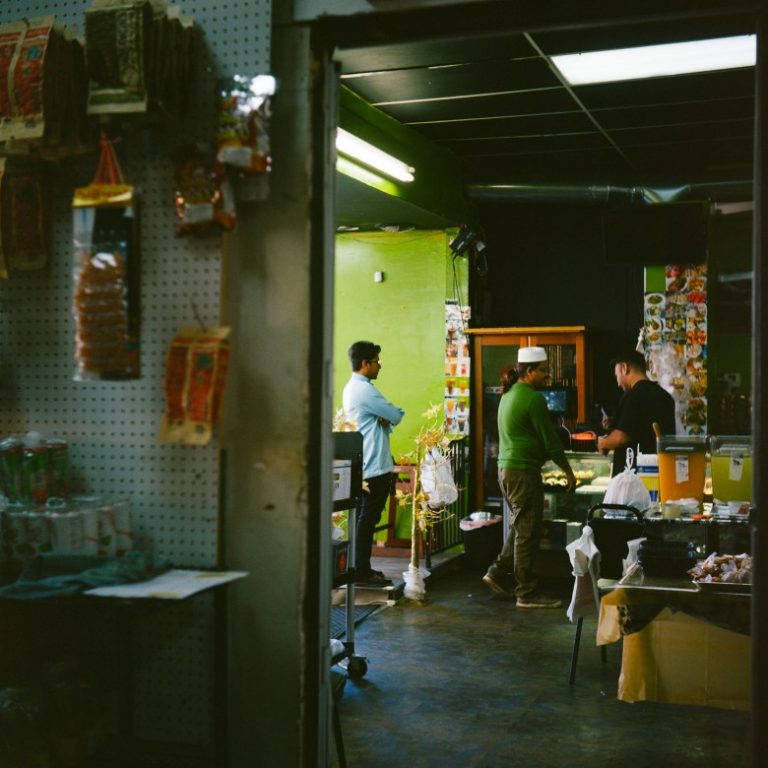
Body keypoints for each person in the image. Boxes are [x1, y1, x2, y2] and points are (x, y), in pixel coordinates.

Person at [482, 346, 576, 608]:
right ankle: (527, 593)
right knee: (528, 532)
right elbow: (550, 440)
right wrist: (567, 471)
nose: (547, 376)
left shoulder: (509, 395)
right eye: (544, 371)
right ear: (530, 371)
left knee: (520, 526)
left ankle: (497, 572)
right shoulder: (533, 399)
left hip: (506, 470)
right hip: (523, 472)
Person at [342, 341, 405, 587]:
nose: (380, 365)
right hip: (374, 466)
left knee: (363, 519)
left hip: (365, 463)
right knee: (367, 519)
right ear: (365, 363)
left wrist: (384, 417)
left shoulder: (352, 388)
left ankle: (361, 568)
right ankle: (360, 571)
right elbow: (396, 414)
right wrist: (387, 417)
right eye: (377, 361)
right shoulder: (365, 390)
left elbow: (386, 417)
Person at [597, 350, 676, 477]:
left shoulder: (633, 395)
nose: (618, 383)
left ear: (624, 368)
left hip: (634, 479)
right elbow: (641, 428)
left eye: (617, 376)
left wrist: (603, 443)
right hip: (660, 474)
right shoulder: (665, 397)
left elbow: (621, 437)